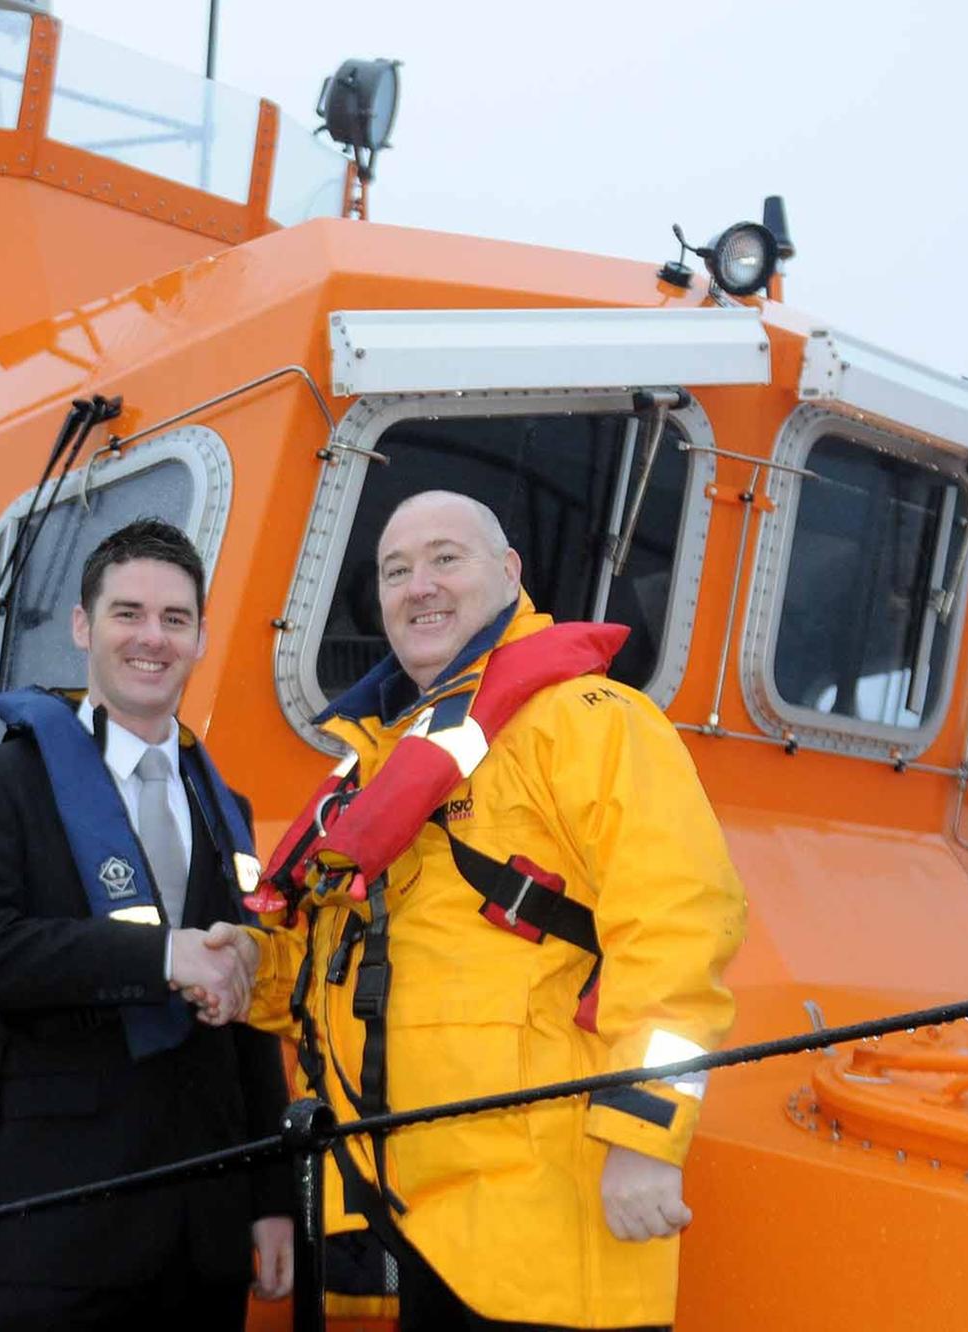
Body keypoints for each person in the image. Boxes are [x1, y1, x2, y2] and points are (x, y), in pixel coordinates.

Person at [209, 490, 748, 1331]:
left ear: (509, 573)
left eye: (445, 559)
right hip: (428, 1233)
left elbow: (680, 933)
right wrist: (249, 969)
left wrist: (646, 1134)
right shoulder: (377, 770)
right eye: (395, 571)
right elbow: (342, 975)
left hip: (546, 1234)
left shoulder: (587, 723)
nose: (418, 585)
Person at [0, 518, 293, 1331]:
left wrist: (272, 1197)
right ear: (84, 627)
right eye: (128, 613)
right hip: (61, 1234)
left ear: (199, 638)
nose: (151, 638)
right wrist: (162, 955)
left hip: (206, 1237)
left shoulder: (227, 807)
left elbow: (249, 1014)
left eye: (175, 619)